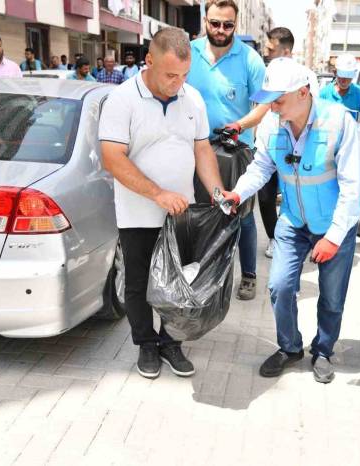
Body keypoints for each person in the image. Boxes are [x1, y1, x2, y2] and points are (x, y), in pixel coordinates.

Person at [222, 58, 360, 384]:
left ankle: (323, 350)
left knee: (331, 296)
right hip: (294, 222)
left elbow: (353, 189)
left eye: (279, 99)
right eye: (269, 100)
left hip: (334, 226)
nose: (271, 107)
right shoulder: (272, 126)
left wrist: (333, 237)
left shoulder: (339, 123)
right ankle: (290, 347)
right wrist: (237, 194)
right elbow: (260, 168)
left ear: (303, 92)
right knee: (280, 286)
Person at [99, 28, 224, 379]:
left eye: (184, 75)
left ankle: (171, 342)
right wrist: (157, 194)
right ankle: (146, 345)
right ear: (149, 60)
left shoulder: (192, 99)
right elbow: (112, 157)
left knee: (180, 281)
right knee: (138, 283)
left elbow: (202, 149)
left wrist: (216, 193)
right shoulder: (122, 100)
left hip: (180, 214)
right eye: (170, 75)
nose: (177, 83)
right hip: (138, 213)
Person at [186, 0, 268, 300]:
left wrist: (241, 125)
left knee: (241, 214)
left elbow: (265, 106)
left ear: (236, 24)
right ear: (205, 20)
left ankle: (248, 275)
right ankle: (203, 272)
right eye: (215, 23)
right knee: (200, 212)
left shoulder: (250, 59)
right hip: (195, 150)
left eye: (228, 25)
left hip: (236, 152)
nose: (221, 30)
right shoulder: (189, 52)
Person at [259, 26, 319, 259]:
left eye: (270, 49)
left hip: (297, 150)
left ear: (285, 51)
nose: (266, 52)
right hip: (272, 143)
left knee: (298, 195)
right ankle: (276, 238)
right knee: (265, 195)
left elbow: (314, 117)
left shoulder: (306, 77)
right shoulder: (269, 74)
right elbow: (264, 110)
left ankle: (308, 238)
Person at [319, 55, 360, 166]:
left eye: (348, 76)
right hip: (327, 145)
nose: (344, 80)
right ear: (335, 72)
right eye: (342, 75)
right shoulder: (324, 93)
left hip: (349, 146)